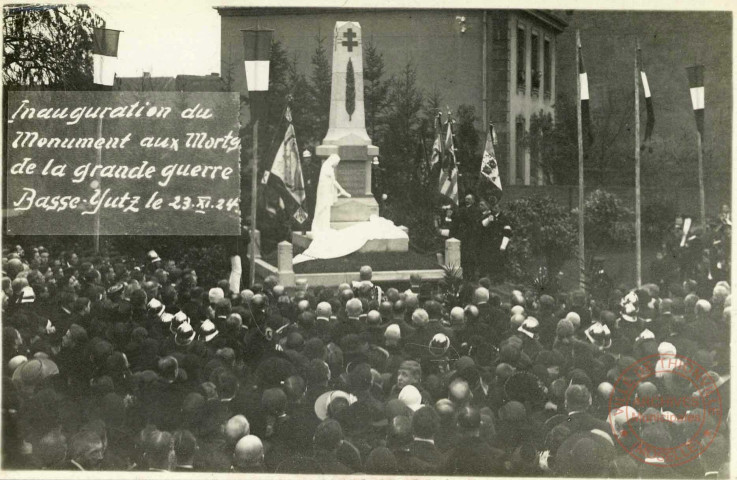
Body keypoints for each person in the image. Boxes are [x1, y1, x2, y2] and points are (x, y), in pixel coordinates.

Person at [311, 154, 351, 233]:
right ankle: (321, 227)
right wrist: (342, 190)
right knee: (323, 209)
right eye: (337, 162)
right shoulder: (327, 168)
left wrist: (342, 190)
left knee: (326, 210)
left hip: (326, 192)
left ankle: (324, 227)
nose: (337, 164)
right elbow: (334, 181)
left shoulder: (328, 166)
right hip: (324, 193)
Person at [450, 194, 480, 280]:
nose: (467, 201)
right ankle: (464, 273)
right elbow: (455, 219)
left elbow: (472, 221)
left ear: (473, 201)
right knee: (463, 254)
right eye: (466, 199)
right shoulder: (462, 209)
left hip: (471, 235)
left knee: (470, 255)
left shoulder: (475, 210)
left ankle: (471, 274)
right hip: (462, 235)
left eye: (469, 199)